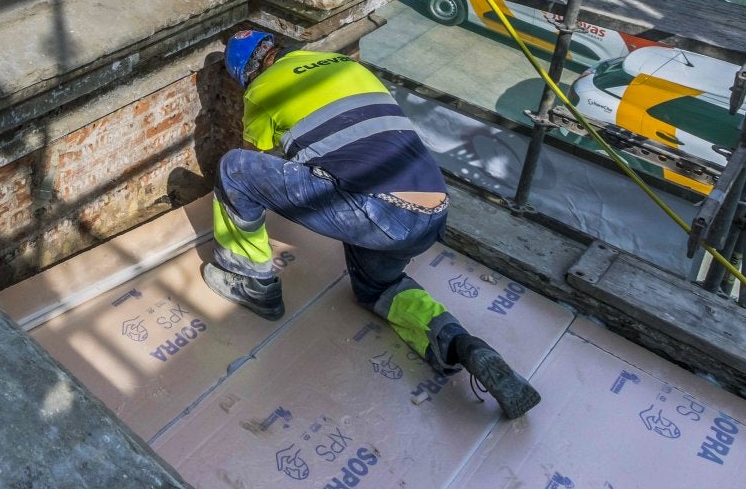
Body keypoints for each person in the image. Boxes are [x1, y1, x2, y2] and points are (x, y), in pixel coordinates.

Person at [201, 28, 542, 420]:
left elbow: (254, 159)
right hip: (430, 211)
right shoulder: (345, 64)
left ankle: (250, 281)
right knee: (379, 288)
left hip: (377, 211)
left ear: (247, 73)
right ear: (279, 48)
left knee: (234, 169)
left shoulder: (263, 88)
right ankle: (457, 344)